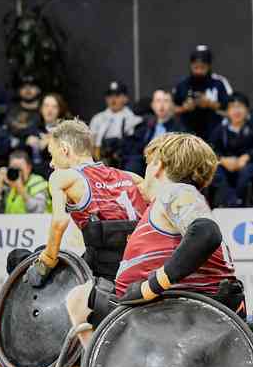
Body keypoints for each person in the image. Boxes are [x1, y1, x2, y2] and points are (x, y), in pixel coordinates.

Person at [63, 133, 240, 349]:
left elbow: (206, 233)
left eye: (147, 164)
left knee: (79, 298)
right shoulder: (175, 201)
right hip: (177, 308)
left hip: (177, 313)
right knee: (90, 293)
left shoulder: (175, 192)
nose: (144, 172)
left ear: (158, 165)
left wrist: (151, 286)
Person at [26, 119, 149, 283]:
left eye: (51, 154)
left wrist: (46, 262)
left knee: (20, 257)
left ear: (64, 149)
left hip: (105, 271)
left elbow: (60, 222)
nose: (51, 163)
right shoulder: (131, 177)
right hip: (142, 263)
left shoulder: (62, 177)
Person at [209, 92, 253, 207]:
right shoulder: (220, 129)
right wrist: (223, 160)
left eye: (240, 107)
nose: (236, 111)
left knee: (248, 171)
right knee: (215, 171)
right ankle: (231, 201)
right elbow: (210, 149)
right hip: (226, 164)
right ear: (227, 111)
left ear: (247, 110)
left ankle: (239, 202)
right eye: (232, 107)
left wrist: (246, 157)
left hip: (248, 163)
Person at [173, 45, 232, 138]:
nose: (199, 71)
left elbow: (231, 108)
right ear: (191, 66)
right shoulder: (182, 84)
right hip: (187, 133)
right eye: (196, 67)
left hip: (214, 132)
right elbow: (171, 109)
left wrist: (210, 104)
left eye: (202, 67)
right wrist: (185, 108)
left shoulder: (219, 83)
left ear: (209, 66)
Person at [122, 89, 186, 173]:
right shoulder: (145, 125)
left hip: (167, 165)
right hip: (145, 163)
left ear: (172, 105)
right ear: (152, 105)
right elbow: (136, 149)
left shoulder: (179, 129)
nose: (162, 105)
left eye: (166, 101)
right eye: (158, 101)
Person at [88, 81, 142, 166]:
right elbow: (90, 144)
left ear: (125, 98)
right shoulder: (97, 118)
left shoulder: (133, 119)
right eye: (110, 96)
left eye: (117, 95)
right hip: (99, 160)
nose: (113, 99)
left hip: (122, 161)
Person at [0, 149, 49, 214]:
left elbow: (38, 211)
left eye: (20, 169)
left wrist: (20, 188)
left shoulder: (37, 182)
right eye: (13, 169)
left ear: (29, 168)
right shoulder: (7, 184)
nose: (17, 173)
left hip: (31, 223)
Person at [26, 92, 69, 177]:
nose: (49, 110)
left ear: (60, 110)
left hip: (58, 175)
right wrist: (27, 143)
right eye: (46, 106)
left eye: (54, 107)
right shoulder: (34, 127)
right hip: (35, 175)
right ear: (41, 108)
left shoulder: (67, 129)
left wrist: (52, 142)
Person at [4, 75, 43, 142]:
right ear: (19, 91)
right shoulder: (11, 109)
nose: (27, 90)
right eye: (23, 87)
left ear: (39, 90)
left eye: (31, 86)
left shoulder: (44, 110)